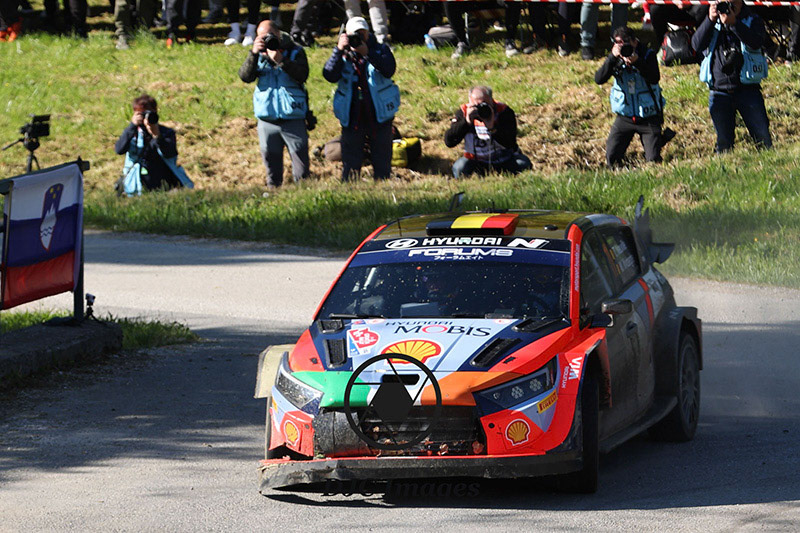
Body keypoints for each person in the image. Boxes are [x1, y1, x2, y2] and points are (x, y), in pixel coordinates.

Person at [323, 16, 399, 181]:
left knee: (382, 159)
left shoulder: (379, 49)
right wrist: (338, 50)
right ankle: (351, 188)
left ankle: (383, 186)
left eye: (362, 33)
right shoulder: (343, 54)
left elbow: (389, 70)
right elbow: (329, 75)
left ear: (368, 33)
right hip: (353, 116)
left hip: (379, 116)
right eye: (354, 34)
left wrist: (368, 54)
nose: (358, 38)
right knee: (351, 161)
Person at [692, 0, 772, 152]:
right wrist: (710, 20)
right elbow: (696, 45)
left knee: (763, 140)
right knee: (723, 145)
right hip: (719, 91)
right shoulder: (711, 19)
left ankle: (769, 165)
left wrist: (734, 24)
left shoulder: (752, 18)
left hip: (748, 90)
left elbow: (756, 42)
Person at [239, 20, 310, 188]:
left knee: (301, 168)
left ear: (278, 34)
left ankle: (304, 194)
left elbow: (302, 75)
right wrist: (253, 54)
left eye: (269, 36)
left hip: (293, 116)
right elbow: (245, 77)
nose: (266, 40)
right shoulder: (258, 55)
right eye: (261, 37)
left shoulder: (295, 51)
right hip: (267, 118)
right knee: (271, 167)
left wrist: (281, 60)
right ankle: (274, 194)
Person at [595, 26, 667, 167]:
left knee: (653, 161)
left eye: (625, 43)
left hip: (648, 116)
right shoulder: (615, 58)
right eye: (618, 43)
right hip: (625, 117)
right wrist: (612, 58)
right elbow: (599, 79)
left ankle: (657, 142)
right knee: (611, 159)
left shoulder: (647, 54)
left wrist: (638, 62)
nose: (623, 47)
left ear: (635, 41)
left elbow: (654, 78)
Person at [444, 85, 532, 178]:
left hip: (505, 159)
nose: (481, 109)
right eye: (476, 106)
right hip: (475, 161)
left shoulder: (504, 111)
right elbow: (449, 142)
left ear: (491, 100)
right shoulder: (463, 112)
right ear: (469, 102)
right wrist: (466, 122)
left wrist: (492, 128)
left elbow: (510, 143)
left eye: (484, 105)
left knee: (523, 163)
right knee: (459, 168)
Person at [115, 94, 182, 193]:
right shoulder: (132, 133)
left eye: (148, 113)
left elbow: (170, 154)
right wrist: (132, 126)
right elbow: (119, 150)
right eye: (142, 114)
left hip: (164, 184)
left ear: (155, 112)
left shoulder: (166, 132)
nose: (146, 118)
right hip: (136, 185)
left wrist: (157, 136)